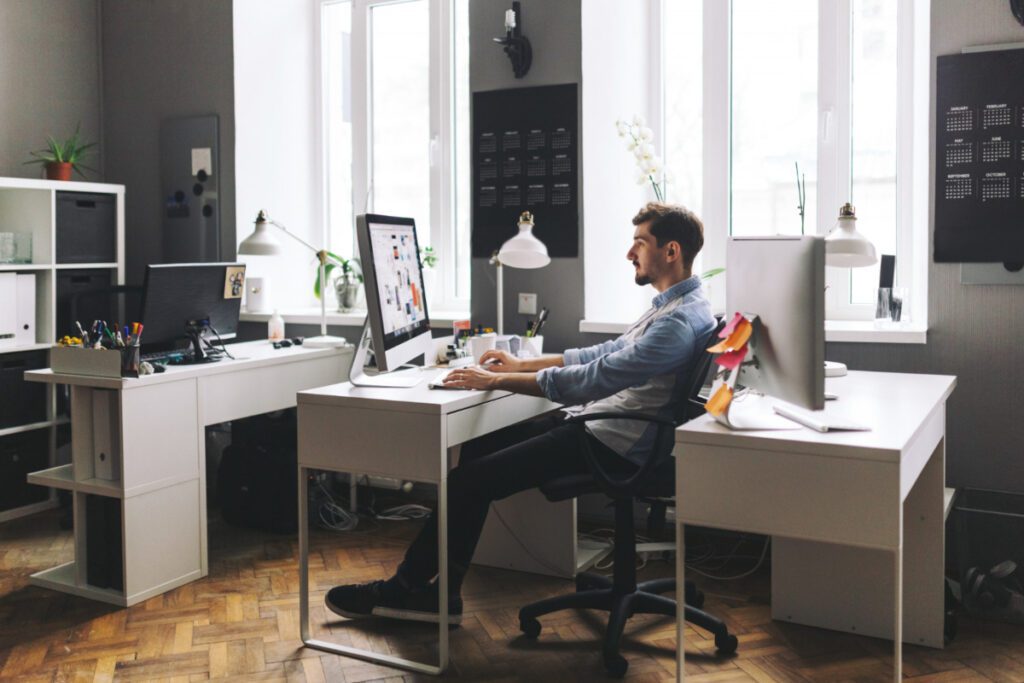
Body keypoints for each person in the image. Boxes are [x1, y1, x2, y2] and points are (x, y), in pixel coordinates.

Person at [325, 202, 716, 624]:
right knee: (476, 449)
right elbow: (601, 353)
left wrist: (495, 381)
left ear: (671, 251)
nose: (629, 253)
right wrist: (519, 364)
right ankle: (443, 595)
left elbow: (594, 379)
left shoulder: (676, 323)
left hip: (611, 443)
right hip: (600, 425)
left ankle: (406, 588)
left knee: (466, 483)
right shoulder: (678, 305)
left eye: (640, 243)